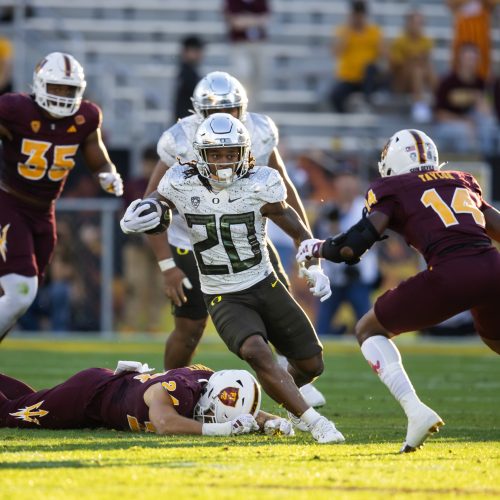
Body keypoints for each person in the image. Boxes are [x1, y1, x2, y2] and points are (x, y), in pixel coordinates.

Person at [121, 113, 345, 444]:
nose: (223, 161)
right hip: (221, 292)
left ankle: (289, 402)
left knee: (311, 364)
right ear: (199, 154)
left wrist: (313, 263)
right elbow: (159, 201)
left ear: (244, 153)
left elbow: (292, 223)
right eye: (215, 154)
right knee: (256, 350)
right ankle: (314, 422)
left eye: (230, 153)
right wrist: (144, 209)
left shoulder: (261, 182)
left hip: (264, 283)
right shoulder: (181, 181)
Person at [297, 128, 500, 452]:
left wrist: (317, 248)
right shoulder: (461, 179)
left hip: (451, 273)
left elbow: (352, 248)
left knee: (367, 329)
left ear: (390, 162)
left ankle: (415, 410)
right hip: (493, 268)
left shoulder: (392, 187)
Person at [144, 71, 325, 408]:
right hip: (193, 239)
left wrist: (307, 240)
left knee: (279, 298)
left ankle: (290, 376)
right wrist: (168, 265)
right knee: (191, 325)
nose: (224, 121)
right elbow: (151, 204)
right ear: (199, 114)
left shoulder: (259, 130)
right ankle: (171, 390)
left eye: (232, 111)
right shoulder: (179, 139)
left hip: (246, 233)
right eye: (215, 114)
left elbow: (282, 186)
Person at [0, 52, 123, 342]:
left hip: (44, 213)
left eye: (69, 89)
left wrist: (107, 173)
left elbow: (97, 155)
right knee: (20, 292)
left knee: (17, 296)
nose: (62, 95)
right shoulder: (15, 109)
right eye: (55, 87)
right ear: (39, 85)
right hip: (8, 202)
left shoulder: (85, 117)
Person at [0, 361, 294, 437]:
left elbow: (237, 409)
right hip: (89, 396)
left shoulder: (210, 383)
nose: (212, 418)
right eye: (214, 415)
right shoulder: (178, 389)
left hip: (102, 397)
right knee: (9, 414)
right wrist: (224, 429)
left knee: (25, 399)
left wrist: (272, 421)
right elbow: (165, 423)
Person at [313, 168, 378, 336]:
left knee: (368, 326)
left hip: (359, 274)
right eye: (342, 179)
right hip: (333, 277)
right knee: (322, 329)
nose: (346, 184)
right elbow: (317, 240)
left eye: (350, 179)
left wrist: (338, 231)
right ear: (335, 183)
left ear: (356, 183)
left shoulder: (366, 208)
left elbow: (371, 240)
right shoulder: (328, 209)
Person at [433, 43, 498, 156]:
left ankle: (489, 159)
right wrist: (464, 121)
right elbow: (439, 115)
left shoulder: (481, 83)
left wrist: (482, 103)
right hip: (448, 125)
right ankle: (468, 162)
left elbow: (488, 112)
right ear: (460, 59)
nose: (471, 62)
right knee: (463, 131)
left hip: (473, 123)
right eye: (468, 58)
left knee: (489, 124)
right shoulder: (447, 82)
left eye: (474, 59)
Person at [330, 0, 385, 113]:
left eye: (360, 15)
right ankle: (345, 119)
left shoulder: (374, 32)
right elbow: (336, 53)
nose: (358, 19)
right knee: (335, 96)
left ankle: (367, 102)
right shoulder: (344, 31)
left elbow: (384, 54)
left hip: (368, 79)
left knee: (370, 68)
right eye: (356, 15)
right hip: (349, 78)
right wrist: (348, 32)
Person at [389, 10, 436, 123]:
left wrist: (415, 59)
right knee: (416, 70)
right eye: (416, 23)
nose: (418, 27)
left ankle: (439, 99)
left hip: (418, 77)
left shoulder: (426, 41)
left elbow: (426, 61)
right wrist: (414, 59)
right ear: (408, 24)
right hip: (400, 82)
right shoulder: (400, 41)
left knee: (425, 68)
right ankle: (419, 103)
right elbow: (396, 65)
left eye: (420, 23)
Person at [223, 0, 270, 109]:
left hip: (258, 44)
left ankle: (253, 107)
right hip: (241, 44)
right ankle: (241, 106)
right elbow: (235, 22)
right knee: (243, 74)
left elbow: (265, 19)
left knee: (259, 77)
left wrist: (246, 20)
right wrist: (255, 20)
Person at [447, 0, 497, 81]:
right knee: (460, 55)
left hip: (480, 24)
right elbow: (450, 5)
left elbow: (492, 5)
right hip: (463, 25)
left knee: (482, 57)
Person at [173, 35, 205, 122]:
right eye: (196, 50)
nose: (200, 54)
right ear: (185, 52)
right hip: (188, 125)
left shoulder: (187, 71)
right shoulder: (187, 73)